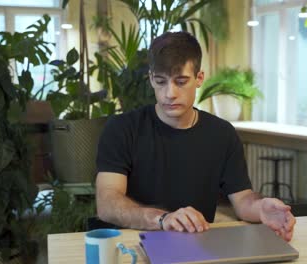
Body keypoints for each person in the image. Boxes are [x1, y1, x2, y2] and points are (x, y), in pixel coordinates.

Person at [95, 31, 296, 241]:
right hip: (134, 245)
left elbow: (243, 199)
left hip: (198, 246)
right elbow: (107, 202)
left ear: (199, 78)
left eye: (181, 81)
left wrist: (260, 208)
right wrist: (162, 219)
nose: (170, 93)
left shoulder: (222, 134)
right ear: (151, 79)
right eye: (160, 81)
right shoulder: (122, 129)